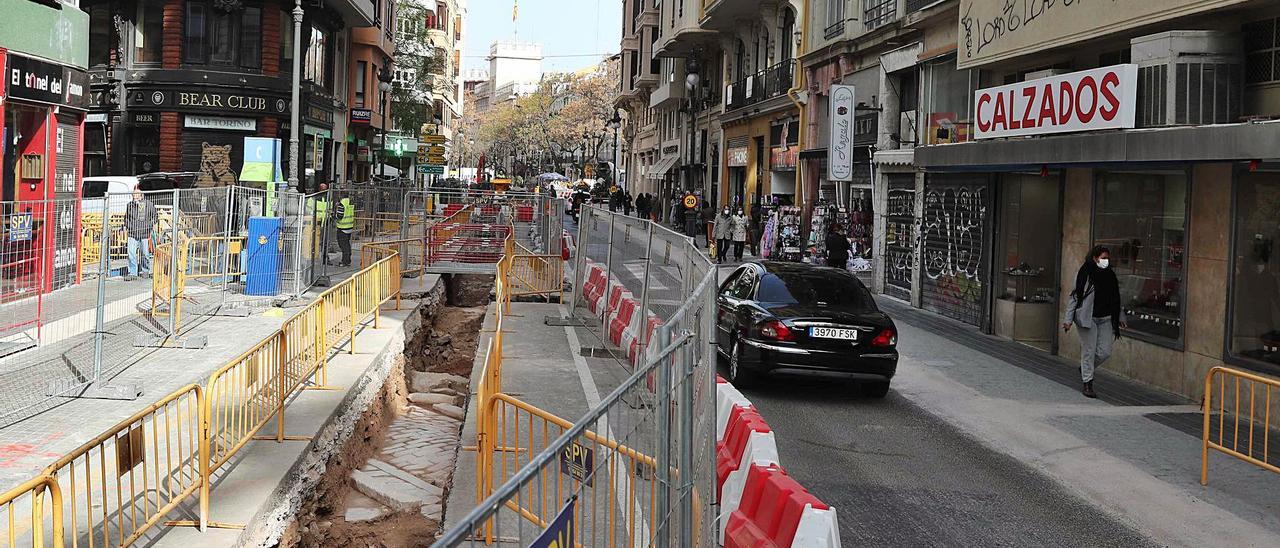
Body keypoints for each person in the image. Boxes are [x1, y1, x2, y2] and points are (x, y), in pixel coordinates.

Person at [1063, 245, 1127, 399]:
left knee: (1105, 352)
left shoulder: (1110, 275)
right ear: (1094, 258)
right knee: (1089, 350)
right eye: (1103, 258)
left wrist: (1120, 317)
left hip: (1105, 318)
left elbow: (1115, 299)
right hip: (1087, 317)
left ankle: (1085, 369)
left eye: (1107, 258)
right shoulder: (1085, 273)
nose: (1106, 261)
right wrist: (1068, 320)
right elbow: (1075, 297)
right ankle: (1087, 383)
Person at [123, 185, 157, 281]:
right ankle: (132, 272)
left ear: (141, 195)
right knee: (131, 253)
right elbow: (126, 218)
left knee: (145, 253)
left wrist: (149, 226)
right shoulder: (130, 205)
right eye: (134, 194)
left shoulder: (148, 204)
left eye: (137, 194)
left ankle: (145, 270)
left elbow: (155, 216)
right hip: (132, 233)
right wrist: (128, 226)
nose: (135, 196)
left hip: (144, 233)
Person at [334, 194, 356, 267]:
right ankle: (347, 260)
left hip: (342, 227)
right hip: (349, 227)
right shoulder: (351, 202)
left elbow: (340, 216)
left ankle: (345, 261)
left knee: (343, 245)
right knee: (347, 244)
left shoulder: (342, 204)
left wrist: (333, 215)